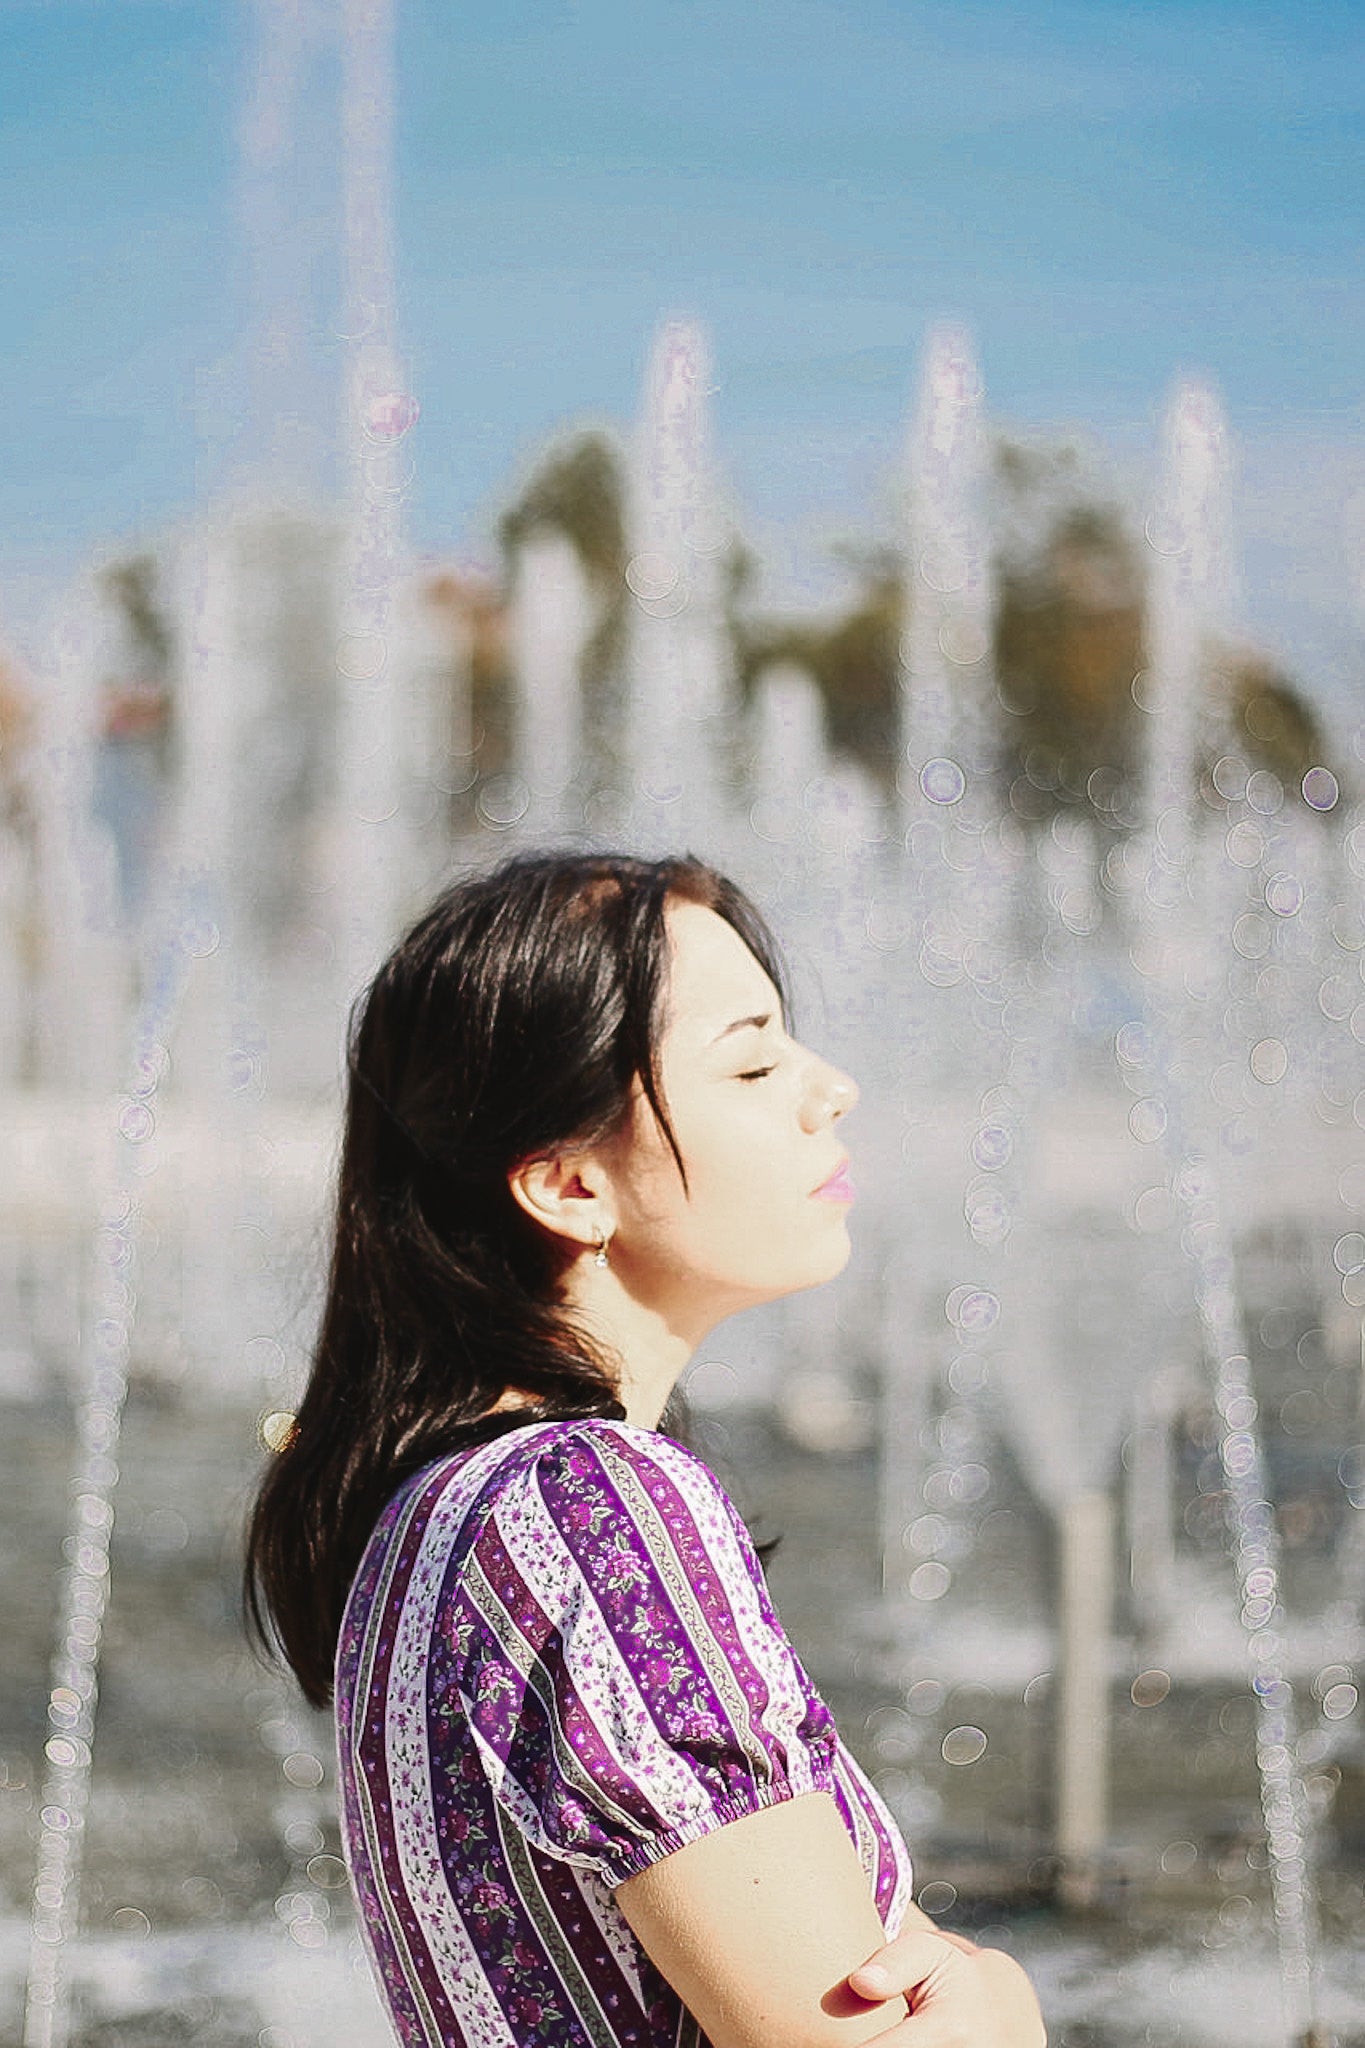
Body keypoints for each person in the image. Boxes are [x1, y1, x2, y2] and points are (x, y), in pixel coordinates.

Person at [243, 849, 1045, 2048]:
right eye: (754, 1059)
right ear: (569, 1183)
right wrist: (1001, 2006)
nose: (829, 1088)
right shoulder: (588, 1506)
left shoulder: (437, 1509)